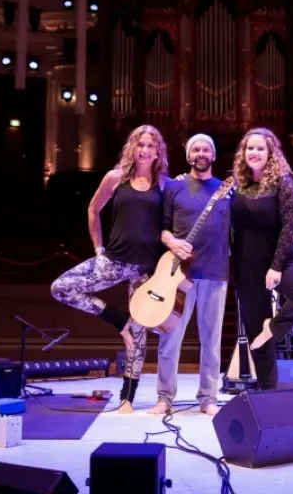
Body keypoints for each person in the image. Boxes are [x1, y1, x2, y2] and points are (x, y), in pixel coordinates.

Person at [50, 125, 168, 413]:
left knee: (139, 335)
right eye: (140, 144)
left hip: (146, 269)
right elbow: (93, 209)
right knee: (60, 287)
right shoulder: (116, 178)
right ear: (132, 147)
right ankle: (118, 320)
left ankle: (127, 398)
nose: (145, 149)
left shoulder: (164, 184)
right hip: (114, 261)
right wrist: (98, 248)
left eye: (151, 145)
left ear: (158, 151)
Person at [231, 127, 293, 390]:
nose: (254, 153)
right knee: (255, 331)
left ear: (271, 153)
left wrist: (276, 266)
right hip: (246, 262)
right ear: (243, 153)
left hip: (278, 258)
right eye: (250, 148)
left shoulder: (284, 183)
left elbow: (288, 229)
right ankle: (268, 391)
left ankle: (275, 327)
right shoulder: (237, 184)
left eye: (260, 148)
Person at [149, 134, 231, 416]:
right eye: (195, 149)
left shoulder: (226, 190)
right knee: (170, 336)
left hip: (215, 271)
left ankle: (208, 398)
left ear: (213, 155)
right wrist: (172, 242)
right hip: (178, 275)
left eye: (206, 148)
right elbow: (162, 228)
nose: (201, 153)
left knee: (212, 339)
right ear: (188, 156)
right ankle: (164, 397)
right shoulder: (174, 186)